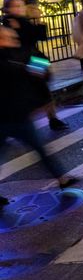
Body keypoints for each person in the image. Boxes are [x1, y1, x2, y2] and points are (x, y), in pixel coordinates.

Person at [0, 26, 75, 189]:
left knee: (41, 149)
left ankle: (61, 178)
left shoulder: (19, 53)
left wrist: (40, 70)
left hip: (20, 116)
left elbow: (39, 62)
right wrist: (32, 69)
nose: (14, 40)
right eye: (9, 38)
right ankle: (61, 177)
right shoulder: (8, 60)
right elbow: (21, 70)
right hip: (4, 117)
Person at [1, 0, 69, 130]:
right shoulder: (9, 23)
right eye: (16, 6)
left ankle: (52, 119)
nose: (19, 9)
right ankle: (24, 125)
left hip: (33, 60)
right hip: (22, 63)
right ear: (8, 9)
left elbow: (39, 36)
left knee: (42, 89)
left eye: (21, 6)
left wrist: (38, 21)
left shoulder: (23, 21)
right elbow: (26, 40)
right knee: (33, 91)